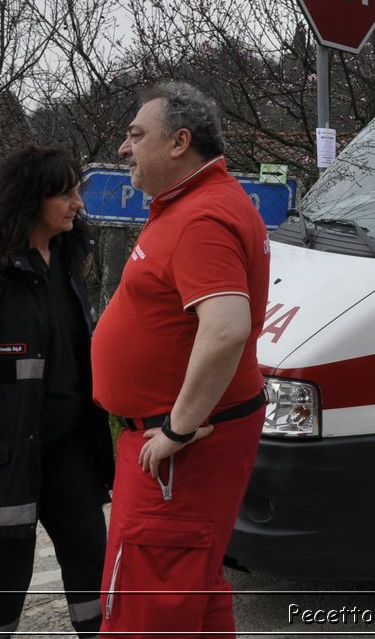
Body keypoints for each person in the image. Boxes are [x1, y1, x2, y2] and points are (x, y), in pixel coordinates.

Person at [91, 82, 269, 637]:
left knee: (153, 598)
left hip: (177, 452)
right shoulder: (192, 204)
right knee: (191, 582)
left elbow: (226, 329)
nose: (124, 148)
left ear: (179, 143)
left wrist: (177, 429)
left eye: (136, 135)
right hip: (174, 445)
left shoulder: (200, 218)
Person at [0, 145, 113, 637]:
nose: (77, 202)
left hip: (68, 448)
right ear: (30, 198)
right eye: (66, 192)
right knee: (1, 580)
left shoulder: (68, 262)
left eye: (77, 190)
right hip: (1, 454)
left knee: (93, 565)